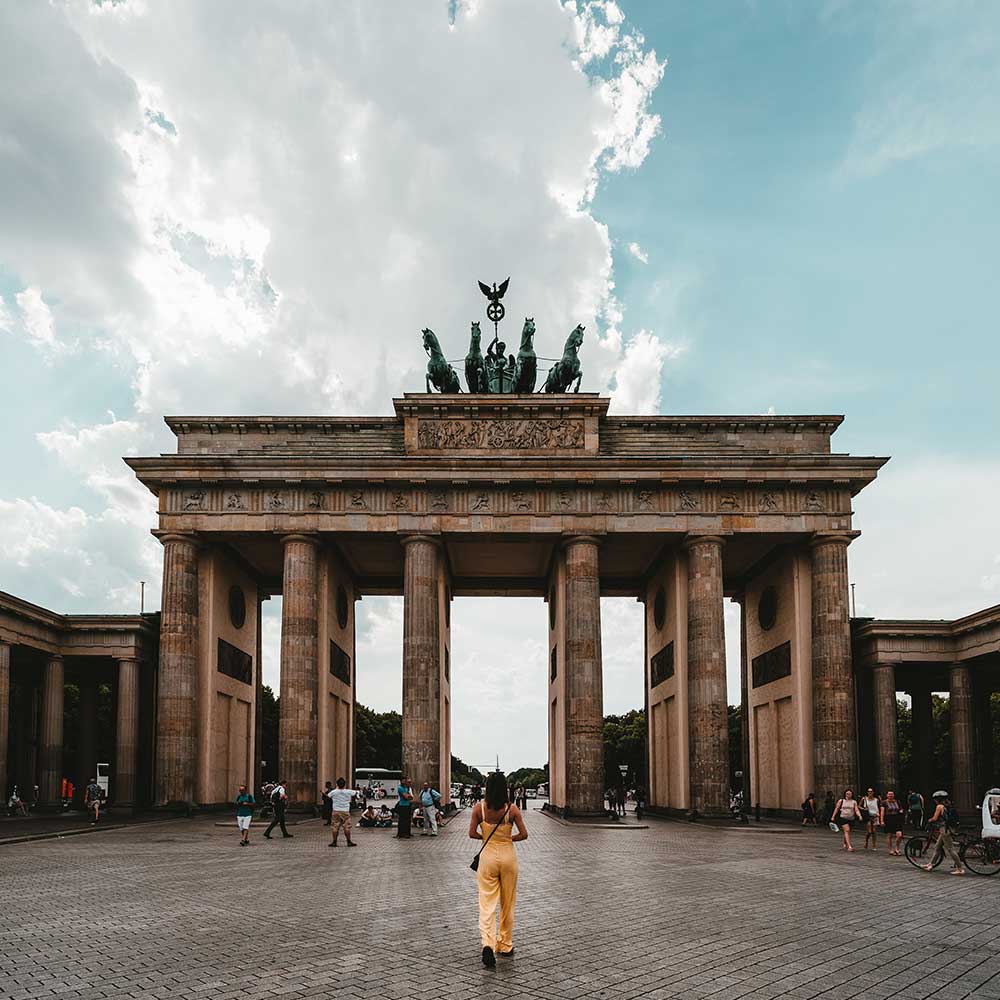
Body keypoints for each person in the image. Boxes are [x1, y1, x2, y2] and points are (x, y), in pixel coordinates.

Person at [469, 772, 528, 968]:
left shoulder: (479, 809)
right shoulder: (512, 809)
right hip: (508, 857)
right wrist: (509, 838)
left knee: (487, 902)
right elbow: (524, 834)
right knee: (508, 902)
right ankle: (505, 944)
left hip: (487, 859)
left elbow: (471, 833)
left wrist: (487, 837)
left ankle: (488, 943)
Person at [923, 790, 964, 875]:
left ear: (937, 799)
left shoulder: (939, 806)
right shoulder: (948, 805)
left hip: (945, 830)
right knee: (937, 847)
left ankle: (960, 868)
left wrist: (929, 820)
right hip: (948, 829)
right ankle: (930, 864)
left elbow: (934, 818)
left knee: (950, 849)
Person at [327, 777, 358, 847]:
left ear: (337, 784)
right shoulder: (348, 791)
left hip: (336, 811)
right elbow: (356, 793)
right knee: (347, 827)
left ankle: (334, 842)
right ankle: (349, 841)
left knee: (335, 827)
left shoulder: (333, 792)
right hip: (345, 811)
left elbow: (328, 796)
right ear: (344, 784)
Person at [881, 789, 904, 855]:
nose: (890, 795)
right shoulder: (884, 802)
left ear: (893, 795)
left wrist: (901, 811)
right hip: (888, 819)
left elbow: (901, 808)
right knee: (889, 835)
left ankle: (897, 848)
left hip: (896, 819)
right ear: (887, 795)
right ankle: (890, 850)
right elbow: (882, 812)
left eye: (892, 794)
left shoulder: (897, 802)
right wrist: (882, 821)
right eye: (889, 794)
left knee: (899, 835)